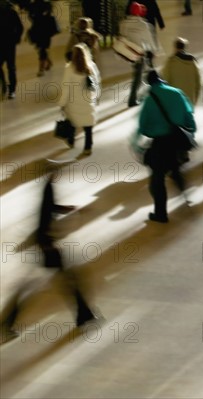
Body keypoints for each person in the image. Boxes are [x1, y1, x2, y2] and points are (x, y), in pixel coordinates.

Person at [0, 160, 99, 343]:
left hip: (44, 242)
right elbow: (44, 215)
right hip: (46, 244)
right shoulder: (48, 188)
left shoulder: (48, 187)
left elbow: (49, 209)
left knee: (55, 281)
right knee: (68, 280)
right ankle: (84, 315)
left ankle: (7, 323)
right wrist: (45, 242)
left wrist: (67, 208)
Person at [138, 70, 196, 223]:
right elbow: (189, 116)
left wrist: (152, 133)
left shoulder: (149, 100)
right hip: (177, 141)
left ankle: (161, 214)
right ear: (162, 80)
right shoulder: (177, 93)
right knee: (175, 168)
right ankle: (184, 194)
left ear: (149, 84)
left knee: (158, 178)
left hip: (160, 143)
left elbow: (143, 127)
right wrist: (191, 132)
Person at [58, 44, 101, 156]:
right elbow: (97, 83)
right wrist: (97, 97)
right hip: (88, 102)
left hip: (73, 104)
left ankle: (71, 141)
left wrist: (62, 103)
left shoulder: (69, 68)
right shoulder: (91, 67)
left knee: (72, 122)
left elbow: (66, 88)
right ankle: (88, 147)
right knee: (88, 127)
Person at [118, 1, 159, 107]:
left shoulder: (124, 23)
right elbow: (149, 40)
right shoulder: (143, 25)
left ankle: (138, 96)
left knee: (139, 74)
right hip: (140, 53)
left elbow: (123, 36)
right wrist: (153, 50)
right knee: (138, 76)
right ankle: (133, 99)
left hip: (129, 52)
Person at [161, 37, 201, 106]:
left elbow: (165, 81)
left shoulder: (171, 62)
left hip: (174, 100)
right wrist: (195, 99)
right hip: (189, 101)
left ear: (175, 47)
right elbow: (198, 83)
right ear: (184, 48)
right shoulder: (193, 62)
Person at [27, 0, 59, 77]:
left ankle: (41, 68)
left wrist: (36, 18)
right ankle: (48, 61)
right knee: (40, 49)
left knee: (42, 49)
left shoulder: (44, 4)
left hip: (44, 31)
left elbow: (30, 16)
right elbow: (30, 15)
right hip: (39, 30)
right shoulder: (37, 4)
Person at [0, 0, 23, 100]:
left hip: (8, 44)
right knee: (11, 68)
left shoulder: (12, 13)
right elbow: (20, 28)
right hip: (8, 44)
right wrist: (16, 39)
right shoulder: (12, 12)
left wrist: (16, 38)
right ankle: (8, 87)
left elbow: (20, 27)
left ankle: (10, 88)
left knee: (11, 67)